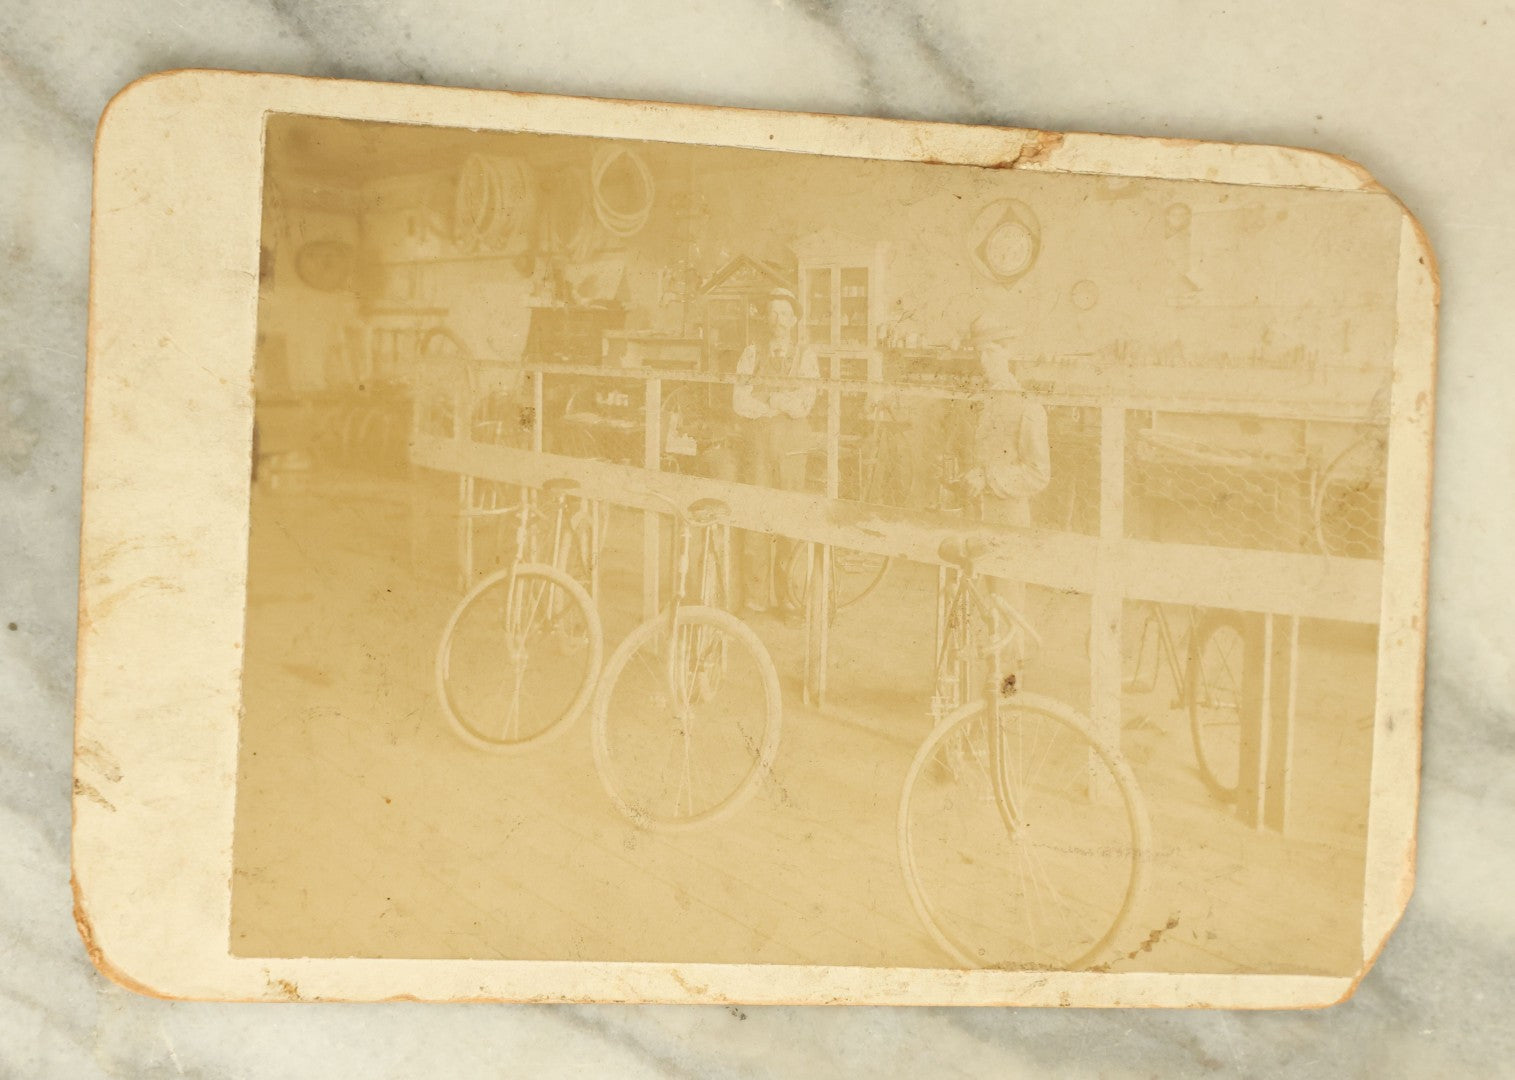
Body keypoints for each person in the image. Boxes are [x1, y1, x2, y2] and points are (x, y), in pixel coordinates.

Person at [960, 312, 1051, 678]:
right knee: (978, 607)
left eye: (991, 352)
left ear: (1009, 353)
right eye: (979, 352)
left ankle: (1009, 699)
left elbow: (1038, 474)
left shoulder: (1028, 407)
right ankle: (977, 702)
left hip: (1009, 519)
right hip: (977, 517)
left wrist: (988, 478)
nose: (983, 361)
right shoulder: (982, 401)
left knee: (1008, 610)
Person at [725, 288, 820, 615]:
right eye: (773, 313)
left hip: (792, 448)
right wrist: (779, 403)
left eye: (784, 314)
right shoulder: (751, 354)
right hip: (759, 447)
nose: (778, 320)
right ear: (767, 318)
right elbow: (739, 402)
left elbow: (804, 404)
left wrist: (770, 400)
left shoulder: (806, 355)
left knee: (790, 518)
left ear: (794, 320)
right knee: (756, 515)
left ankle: (790, 600)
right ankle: (756, 598)